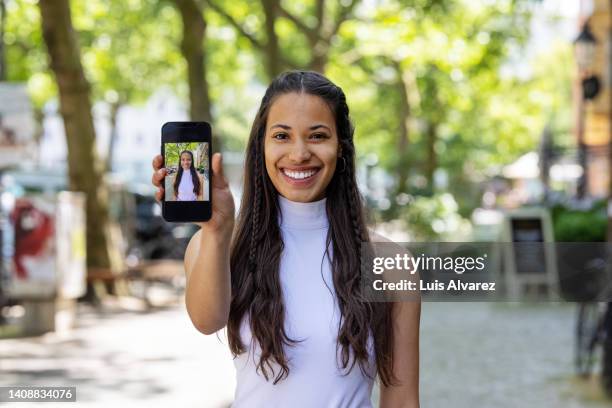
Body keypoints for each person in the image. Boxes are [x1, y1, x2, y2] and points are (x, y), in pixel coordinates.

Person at [152, 70, 420, 407]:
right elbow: (207, 321)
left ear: (341, 148)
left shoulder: (388, 262)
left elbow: (403, 399)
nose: (299, 153)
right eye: (282, 136)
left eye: (318, 136)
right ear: (261, 145)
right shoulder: (219, 243)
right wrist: (217, 231)